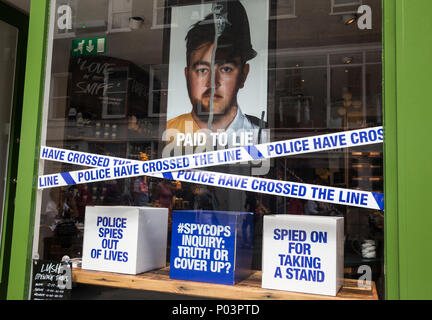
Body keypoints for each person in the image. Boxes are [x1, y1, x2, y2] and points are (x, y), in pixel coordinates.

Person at [166, 1, 265, 143]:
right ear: (187, 76)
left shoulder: (262, 137)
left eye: (225, 69)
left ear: (243, 75)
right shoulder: (168, 134)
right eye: (202, 70)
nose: (212, 83)